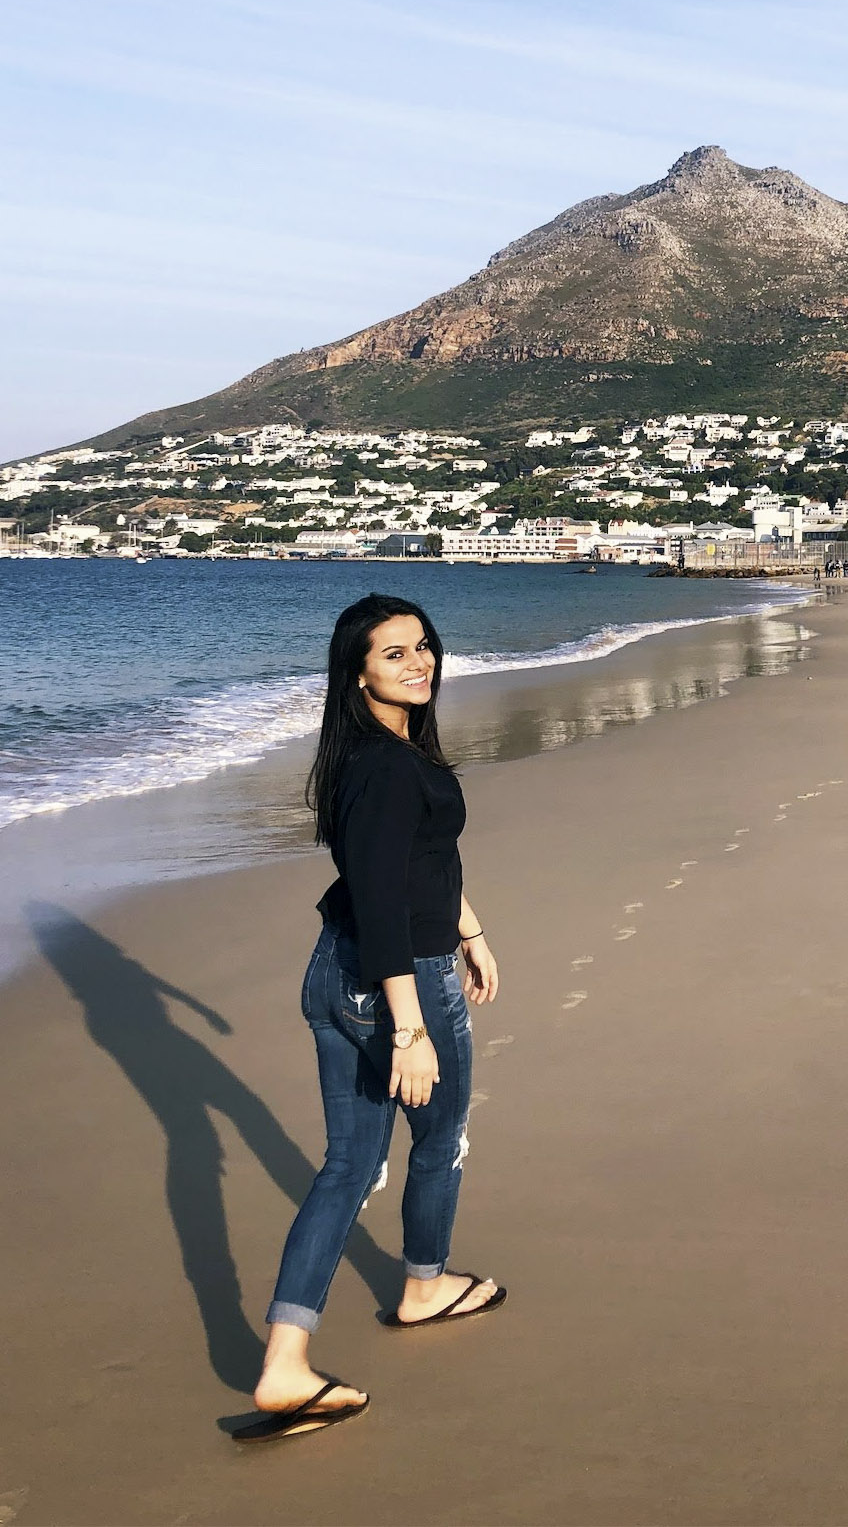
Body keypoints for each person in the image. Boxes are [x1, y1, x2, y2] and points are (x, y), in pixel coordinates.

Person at [234, 594, 504, 1446]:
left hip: (335, 969)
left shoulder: (373, 756)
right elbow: (386, 903)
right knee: (438, 1137)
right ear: (358, 672)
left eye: (424, 645)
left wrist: (472, 928)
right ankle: (422, 1285)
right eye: (394, 654)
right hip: (395, 979)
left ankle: (284, 1364)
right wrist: (411, 1027)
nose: (418, 661)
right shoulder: (386, 768)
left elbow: (424, 863)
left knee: (348, 1162)